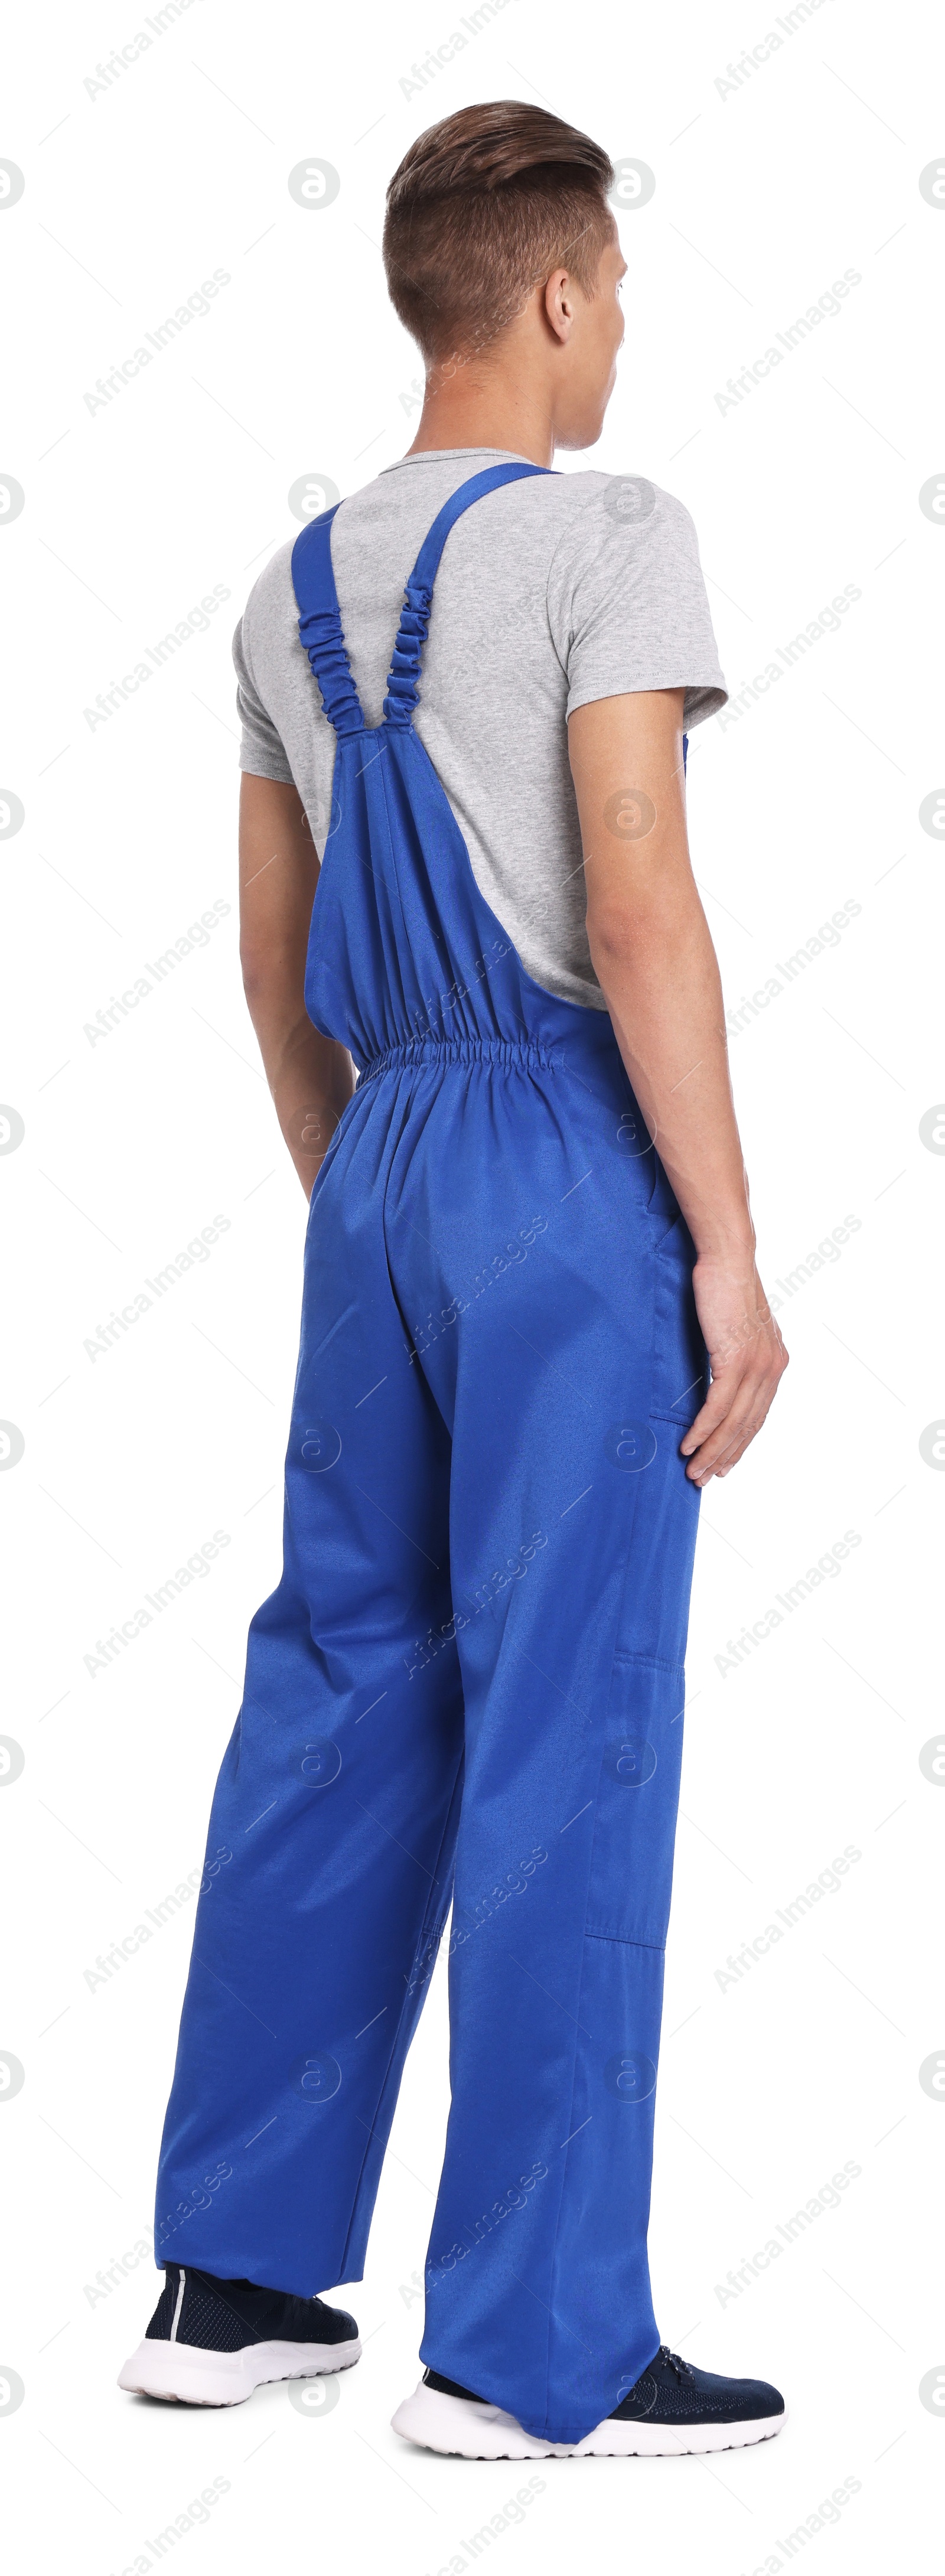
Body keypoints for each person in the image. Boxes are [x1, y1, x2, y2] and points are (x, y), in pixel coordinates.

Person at [119, 100, 788, 2458]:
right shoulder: (614, 533)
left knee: (337, 1688)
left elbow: (274, 960)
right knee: (565, 1726)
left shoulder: (285, 587)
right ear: (560, 291)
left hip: (382, 1155)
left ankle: (232, 2274)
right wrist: (717, 1240)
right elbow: (636, 904)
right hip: (554, 1155)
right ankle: (529, 2342)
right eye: (615, 284)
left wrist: (362, 1200)